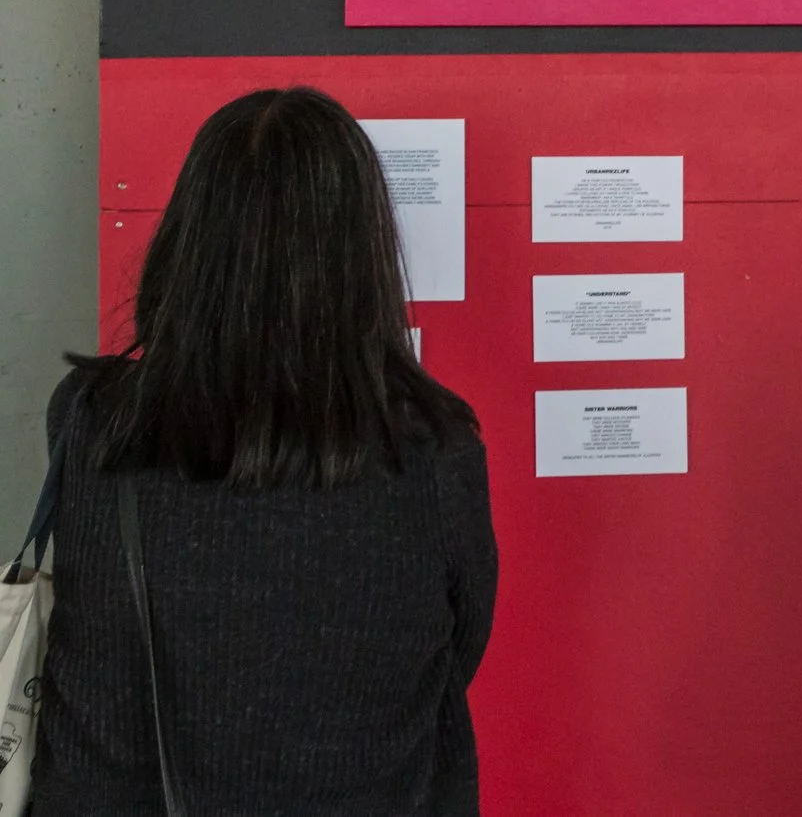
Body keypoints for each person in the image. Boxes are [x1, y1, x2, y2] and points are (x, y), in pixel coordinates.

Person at [30, 87, 496, 816]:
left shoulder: (92, 417)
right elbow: (457, 644)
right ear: (363, 252)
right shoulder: (435, 448)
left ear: (189, 236)